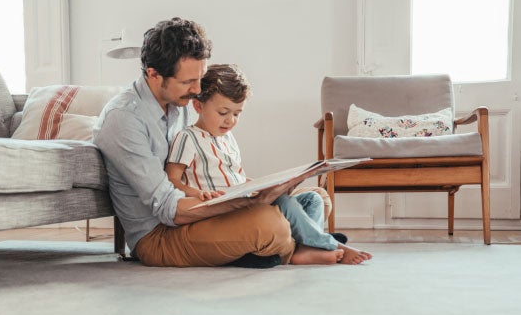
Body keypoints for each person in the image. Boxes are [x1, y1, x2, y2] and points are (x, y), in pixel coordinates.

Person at [94, 17, 364, 268]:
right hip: (160, 234)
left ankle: (290, 245)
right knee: (272, 225)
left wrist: (262, 190)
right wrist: (245, 202)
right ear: (153, 75)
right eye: (188, 81)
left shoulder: (182, 103)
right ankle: (292, 247)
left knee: (317, 198)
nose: (198, 90)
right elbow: (168, 210)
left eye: (200, 78)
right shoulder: (123, 120)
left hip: (200, 216)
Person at [165, 64, 371, 265]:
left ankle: (305, 248)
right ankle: (329, 244)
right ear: (198, 106)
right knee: (286, 205)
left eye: (237, 114)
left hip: (245, 200)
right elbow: (172, 179)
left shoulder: (228, 139)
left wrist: (271, 185)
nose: (230, 121)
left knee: (313, 199)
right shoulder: (188, 137)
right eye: (223, 112)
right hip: (226, 212)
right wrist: (195, 193)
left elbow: (236, 178)